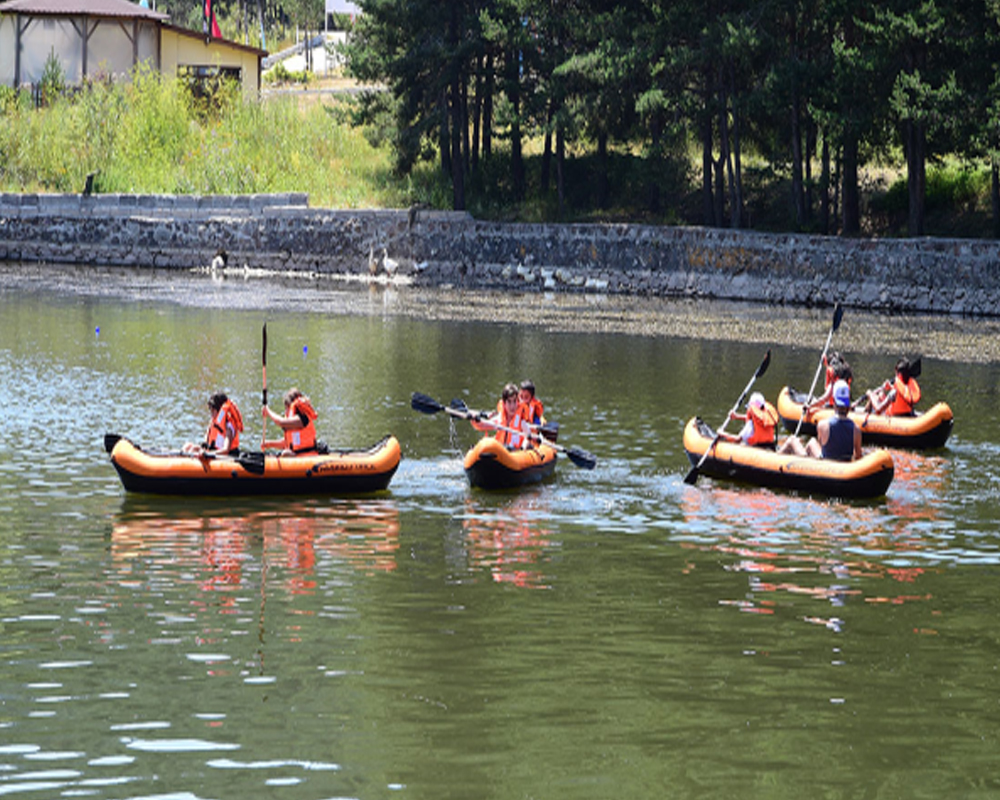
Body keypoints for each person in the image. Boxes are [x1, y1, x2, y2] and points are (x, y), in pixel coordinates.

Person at [781, 380, 862, 461]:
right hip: (844, 468)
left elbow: (822, 447)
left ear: (834, 402)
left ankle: (774, 461)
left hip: (825, 466)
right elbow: (858, 457)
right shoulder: (856, 430)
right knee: (812, 442)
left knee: (793, 440)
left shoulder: (823, 425)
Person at [472, 383, 532, 449]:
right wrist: (474, 420)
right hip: (501, 453)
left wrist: (523, 447)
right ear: (504, 403)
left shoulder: (521, 421)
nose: (512, 406)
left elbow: (528, 436)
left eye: (514, 401)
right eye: (509, 402)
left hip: (515, 454)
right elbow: (482, 426)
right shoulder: (499, 419)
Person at [262, 387, 319, 455]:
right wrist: (268, 444)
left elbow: (281, 422)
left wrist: (268, 411)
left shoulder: (302, 419)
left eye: (287, 408)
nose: (286, 412)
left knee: (286, 453)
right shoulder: (294, 421)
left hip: (307, 456)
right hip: (296, 455)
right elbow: (287, 443)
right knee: (285, 452)